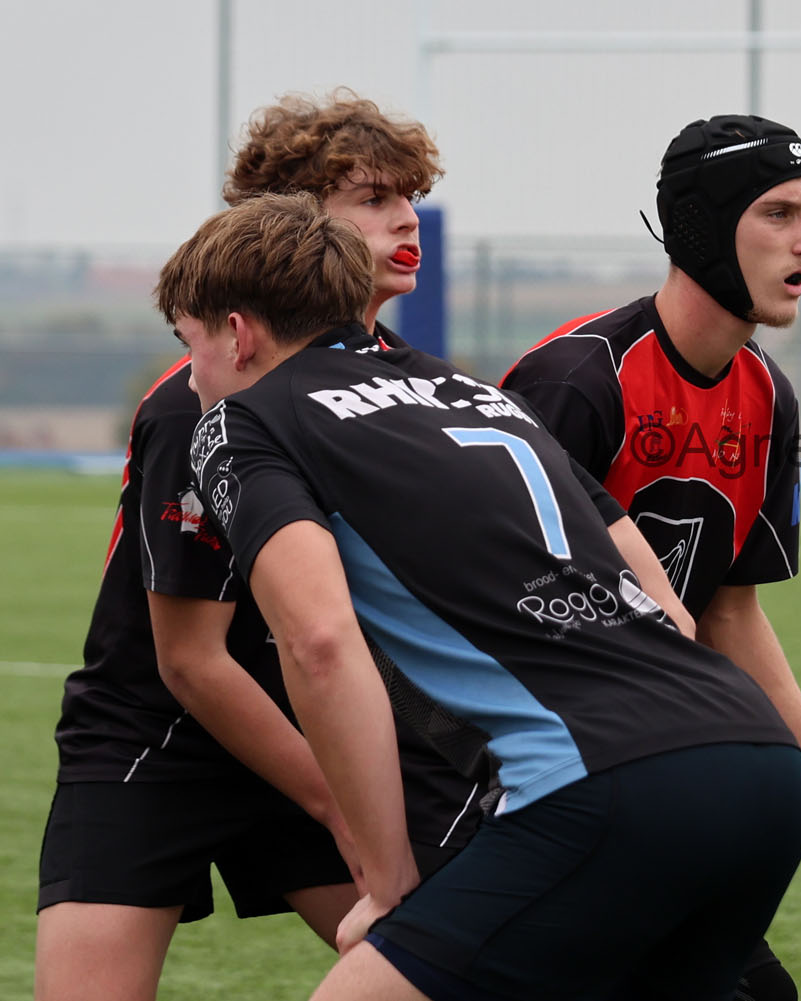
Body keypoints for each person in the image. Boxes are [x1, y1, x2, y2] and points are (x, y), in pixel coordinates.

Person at [161, 190, 801, 1001]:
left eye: (188, 343)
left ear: (237, 331)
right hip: (757, 760)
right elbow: (671, 608)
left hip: (606, 778)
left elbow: (319, 640)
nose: (190, 377)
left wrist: (388, 878)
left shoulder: (241, 423)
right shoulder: (474, 392)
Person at [35, 92, 485, 1001]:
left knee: (460, 978)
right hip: (157, 740)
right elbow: (190, 661)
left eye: (411, 196)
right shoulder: (200, 396)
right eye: (372, 198)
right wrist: (343, 806)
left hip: (316, 729)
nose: (406, 219)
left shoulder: (418, 388)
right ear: (290, 222)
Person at [501, 113, 801, 999]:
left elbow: (729, 610)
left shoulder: (767, 394)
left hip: (647, 770)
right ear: (700, 227)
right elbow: (488, 608)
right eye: (780, 213)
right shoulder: (577, 381)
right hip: (538, 782)